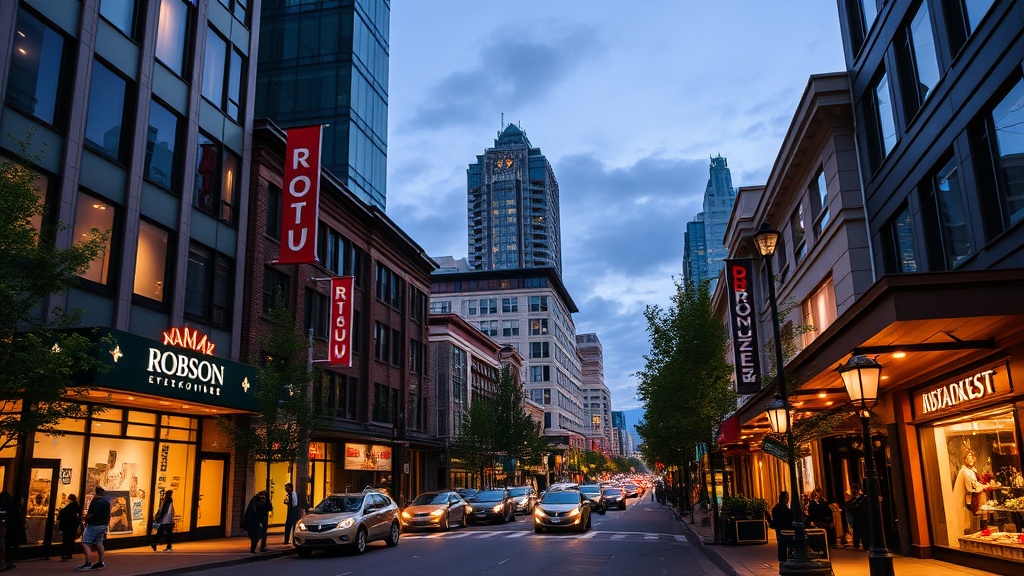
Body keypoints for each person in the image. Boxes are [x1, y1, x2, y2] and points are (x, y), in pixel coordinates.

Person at [78, 486, 110, 571]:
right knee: (99, 542)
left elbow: (91, 514)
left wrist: (83, 518)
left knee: (85, 542)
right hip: (103, 525)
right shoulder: (106, 502)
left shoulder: (95, 502)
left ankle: (87, 562)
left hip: (93, 525)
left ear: (96, 493)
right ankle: (101, 561)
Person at [770, 491, 795, 563]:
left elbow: (774, 522)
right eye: (787, 498)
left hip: (779, 530)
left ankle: (782, 560)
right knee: (789, 545)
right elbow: (790, 519)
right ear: (786, 498)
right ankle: (788, 559)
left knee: (781, 546)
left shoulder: (775, 508)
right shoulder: (786, 509)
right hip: (787, 530)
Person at [57, 494, 82, 561]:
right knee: (71, 539)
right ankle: (69, 553)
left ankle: (66, 553)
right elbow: (80, 514)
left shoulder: (69, 506)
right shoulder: (76, 506)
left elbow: (62, 512)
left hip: (68, 525)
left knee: (66, 539)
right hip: (73, 525)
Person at [846, 484, 869, 550]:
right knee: (859, 530)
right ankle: (861, 542)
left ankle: (857, 542)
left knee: (857, 529)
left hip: (857, 517)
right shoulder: (861, 498)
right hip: (859, 517)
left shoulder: (858, 499)